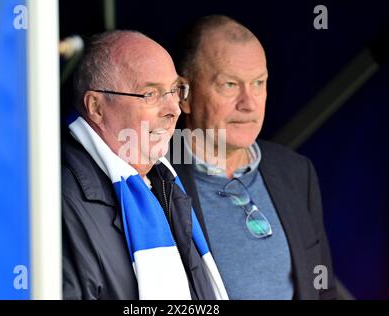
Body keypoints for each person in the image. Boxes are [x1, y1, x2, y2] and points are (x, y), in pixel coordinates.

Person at [171, 15, 337, 299]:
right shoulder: (150, 178)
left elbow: (323, 291)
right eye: (230, 85)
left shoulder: (296, 171)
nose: (249, 103)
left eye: (259, 83)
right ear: (183, 94)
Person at [61, 30, 228, 300]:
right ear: (96, 107)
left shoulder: (166, 181)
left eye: (175, 90)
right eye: (150, 94)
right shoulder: (57, 200)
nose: (173, 109)